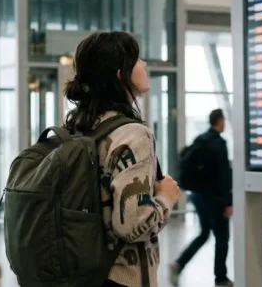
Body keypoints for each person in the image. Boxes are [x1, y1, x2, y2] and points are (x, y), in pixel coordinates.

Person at [64, 31, 181, 287]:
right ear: (120, 74)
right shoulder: (133, 134)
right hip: (120, 277)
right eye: (137, 59)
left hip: (84, 272)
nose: (144, 64)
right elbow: (133, 225)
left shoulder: (77, 127)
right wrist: (167, 197)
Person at [170, 109, 234, 287]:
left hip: (198, 195)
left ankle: (178, 264)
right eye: (223, 119)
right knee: (222, 238)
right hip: (214, 198)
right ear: (219, 120)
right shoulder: (219, 143)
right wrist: (228, 202)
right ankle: (221, 278)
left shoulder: (200, 139)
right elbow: (223, 176)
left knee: (204, 234)